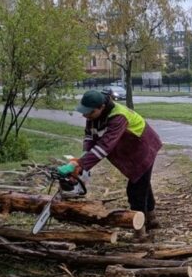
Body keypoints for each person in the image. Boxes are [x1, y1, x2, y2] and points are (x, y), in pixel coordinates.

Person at [58, 90, 162, 242]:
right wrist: (81, 161)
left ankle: (141, 232)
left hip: (143, 148)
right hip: (129, 149)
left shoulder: (118, 116)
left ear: (101, 107)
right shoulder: (93, 115)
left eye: (89, 112)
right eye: (84, 112)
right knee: (141, 183)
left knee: (136, 190)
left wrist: (82, 164)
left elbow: (105, 146)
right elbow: (89, 137)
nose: (85, 116)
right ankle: (152, 219)